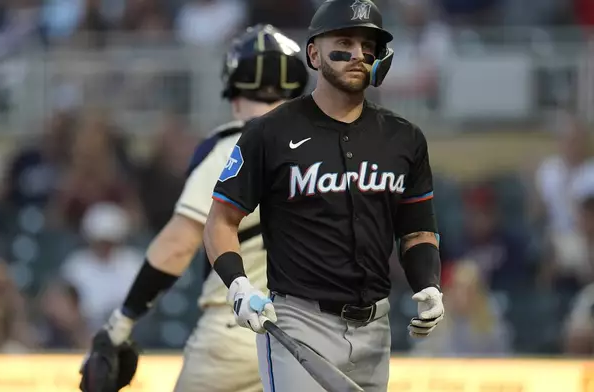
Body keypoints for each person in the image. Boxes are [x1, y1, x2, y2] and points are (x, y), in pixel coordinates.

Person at [203, 1, 445, 391]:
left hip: (375, 327)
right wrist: (239, 286)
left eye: (369, 45)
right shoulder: (270, 132)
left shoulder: (405, 138)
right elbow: (222, 220)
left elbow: (417, 230)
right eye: (344, 42)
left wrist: (428, 284)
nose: (358, 54)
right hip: (300, 321)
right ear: (313, 53)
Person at [77, 24, 308, 392]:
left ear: (233, 92)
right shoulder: (323, 153)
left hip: (236, 332)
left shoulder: (233, 146)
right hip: (309, 339)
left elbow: (178, 245)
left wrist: (119, 325)